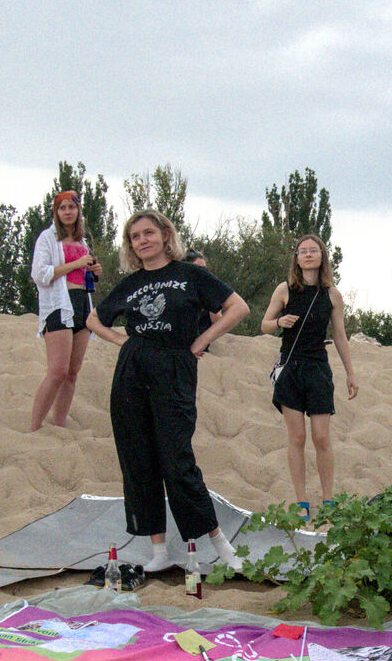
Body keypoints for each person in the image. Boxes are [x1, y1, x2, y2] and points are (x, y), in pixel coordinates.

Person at [88, 209, 248, 572]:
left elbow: (237, 307)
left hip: (176, 366)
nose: (142, 241)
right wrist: (121, 341)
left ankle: (220, 545)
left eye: (148, 233)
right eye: (134, 236)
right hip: (133, 369)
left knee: (177, 458)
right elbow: (92, 318)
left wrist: (202, 340)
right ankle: (158, 551)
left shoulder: (191, 274)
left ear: (164, 234)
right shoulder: (129, 284)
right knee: (138, 457)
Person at [260, 233, 359, 521]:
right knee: (297, 436)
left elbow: (340, 336)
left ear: (322, 256)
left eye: (313, 250)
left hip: (318, 367)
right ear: (296, 258)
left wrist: (351, 373)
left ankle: (328, 501)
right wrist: (280, 321)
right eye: (302, 251)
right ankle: (301, 502)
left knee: (321, 437)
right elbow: (264, 325)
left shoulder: (332, 294)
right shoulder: (284, 290)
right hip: (291, 367)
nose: (307, 255)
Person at [28, 189, 99, 431]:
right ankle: (34, 427)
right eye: (62, 208)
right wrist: (75, 264)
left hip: (82, 303)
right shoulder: (47, 238)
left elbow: (80, 272)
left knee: (72, 372)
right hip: (59, 304)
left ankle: (58, 424)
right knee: (57, 370)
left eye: (72, 207)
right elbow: (39, 274)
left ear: (79, 211)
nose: (67, 212)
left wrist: (92, 271)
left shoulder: (81, 240)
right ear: (56, 212)